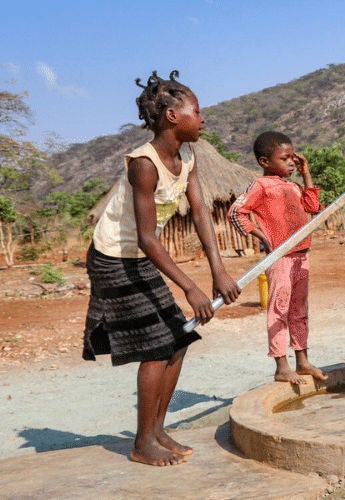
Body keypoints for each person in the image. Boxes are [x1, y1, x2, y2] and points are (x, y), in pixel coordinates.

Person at [82, 70, 241, 466]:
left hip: (140, 256)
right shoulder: (144, 165)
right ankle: (141, 443)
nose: (203, 119)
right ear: (172, 116)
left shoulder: (187, 156)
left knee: (178, 341)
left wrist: (218, 271)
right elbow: (148, 239)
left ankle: (156, 431)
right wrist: (190, 287)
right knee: (156, 347)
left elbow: (201, 211)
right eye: (197, 111)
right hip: (114, 258)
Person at [228, 131, 328, 385]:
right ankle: (281, 365)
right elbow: (236, 212)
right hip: (281, 258)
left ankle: (302, 361)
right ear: (265, 162)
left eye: (293, 158)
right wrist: (264, 237)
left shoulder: (292, 185)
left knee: (299, 309)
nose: (291, 163)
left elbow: (312, 207)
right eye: (285, 159)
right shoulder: (261, 186)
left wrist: (306, 174)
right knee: (279, 309)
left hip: (301, 255)